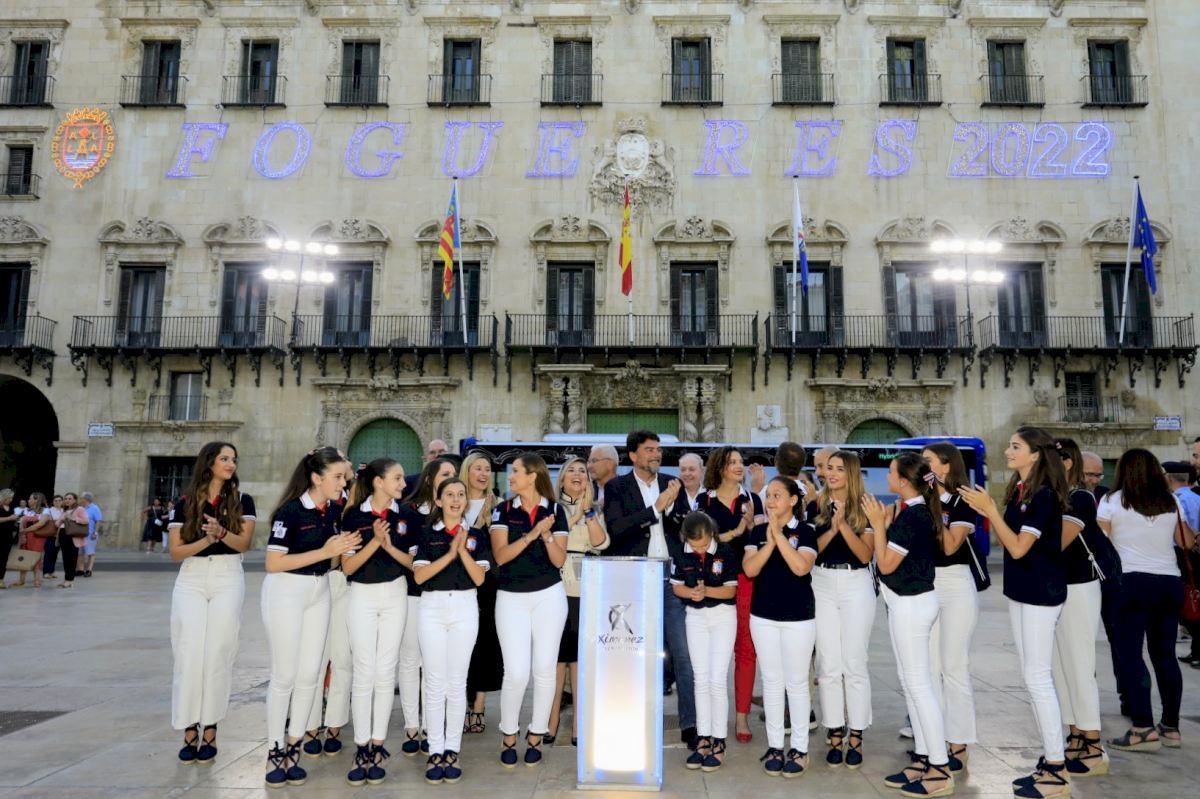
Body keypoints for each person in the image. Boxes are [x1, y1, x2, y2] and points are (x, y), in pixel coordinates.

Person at [959, 426, 1070, 799]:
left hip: (1041, 591)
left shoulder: (1044, 496)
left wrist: (990, 510)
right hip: (1023, 590)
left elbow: (1019, 547)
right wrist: (989, 508)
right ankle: (1050, 760)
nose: (1008, 451)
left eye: (1015, 446)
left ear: (1035, 454)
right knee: (1031, 675)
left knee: (1038, 677)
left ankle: (1057, 766)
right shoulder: (1022, 491)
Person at [261, 447, 361, 788]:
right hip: (286, 592)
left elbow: (331, 555)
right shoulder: (290, 511)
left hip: (320, 591)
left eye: (344, 476)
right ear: (317, 478)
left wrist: (343, 549)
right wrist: (326, 550)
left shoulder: (333, 510)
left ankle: (294, 746)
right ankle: (275, 749)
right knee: (284, 675)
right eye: (337, 477)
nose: (343, 482)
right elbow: (273, 563)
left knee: (310, 674)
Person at [864, 453, 954, 799]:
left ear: (903, 480)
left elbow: (886, 564)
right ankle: (925, 757)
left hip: (912, 606)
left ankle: (940, 767)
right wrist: (886, 524)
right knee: (911, 682)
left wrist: (878, 525)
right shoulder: (915, 511)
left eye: (890, 471)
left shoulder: (913, 515)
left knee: (919, 685)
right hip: (908, 603)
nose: (886, 475)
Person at [603, 430, 695, 747]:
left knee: (682, 655)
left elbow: (686, 528)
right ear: (633, 455)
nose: (656, 454)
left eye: (658, 449)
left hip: (671, 577)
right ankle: (636, 721)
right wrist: (656, 508)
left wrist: (672, 509)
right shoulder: (616, 487)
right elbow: (616, 530)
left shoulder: (672, 483)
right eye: (649, 449)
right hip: (635, 579)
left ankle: (690, 725)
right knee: (635, 655)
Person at [1099, 449, 1195, 752]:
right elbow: (1186, 541)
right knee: (1164, 655)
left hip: (1129, 582)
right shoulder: (1170, 501)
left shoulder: (1112, 500)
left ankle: (1142, 728)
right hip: (1168, 582)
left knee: (1130, 655)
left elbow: (1101, 543)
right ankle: (1171, 727)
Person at [167, 441, 257, 765]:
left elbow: (243, 543)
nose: (231, 464)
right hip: (191, 578)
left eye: (233, 459)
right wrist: (206, 539)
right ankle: (189, 726)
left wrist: (221, 533)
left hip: (227, 576)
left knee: (219, 650)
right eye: (224, 458)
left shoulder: (242, 500)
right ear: (209, 463)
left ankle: (211, 727)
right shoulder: (185, 502)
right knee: (189, 651)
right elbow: (176, 552)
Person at [490, 453, 569, 768]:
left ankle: (536, 733)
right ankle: (509, 733)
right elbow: (501, 556)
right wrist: (532, 534)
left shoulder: (556, 511)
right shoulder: (502, 510)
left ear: (533, 476)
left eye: (516, 472)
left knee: (545, 669)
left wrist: (546, 535)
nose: (510, 477)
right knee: (516, 672)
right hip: (511, 597)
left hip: (549, 595)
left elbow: (559, 560)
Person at [338, 458, 413, 786]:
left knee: (386, 671)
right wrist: (374, 542)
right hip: (362, 595)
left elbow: (412, 562)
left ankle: (378, 745)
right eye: (397, 478)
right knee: (364, 671)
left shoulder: (405, 516)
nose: (403, 484)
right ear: (379, 482)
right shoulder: (354, 516)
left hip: (395, 593)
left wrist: (389, 546)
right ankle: (361, 747)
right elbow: (348, 567)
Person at [414, 477, 491, 785]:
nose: (456, 500)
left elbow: (479, 578)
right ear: (439, 501)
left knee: (457, 683)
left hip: (464, 608)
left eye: (461, 495)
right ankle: (435, 749)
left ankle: (452, 750)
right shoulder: (426, 533)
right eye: (450, 495)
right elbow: (420, 577)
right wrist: (448, 553)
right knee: (435, 683)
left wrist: (462, 551)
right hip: (432, 609)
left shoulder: (477, 535)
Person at [743, 477, 818, 778]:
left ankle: (799, 748)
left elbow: (801, 567)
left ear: (793, 501)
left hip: (798, 618)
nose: (770, 500)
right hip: (763, 616)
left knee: (797, 683)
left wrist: (779, 536)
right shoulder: (757, 532)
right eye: (768, 495)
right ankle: (775, 746)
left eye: (777, 495)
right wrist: (770, 539)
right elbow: (750, 569)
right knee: (772, 682)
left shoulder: (806, 531)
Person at [695, 446, 766, 744]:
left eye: (740, 461)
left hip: (746, 578)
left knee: (746, 649)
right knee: (714, 651)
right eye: (732, 461)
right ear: (719, 467)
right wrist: (737, 531)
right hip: (714, 582)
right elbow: (701, 541)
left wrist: (751, 527)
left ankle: (741, 716)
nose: (739, 466)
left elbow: (762, 539)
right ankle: (711, 715)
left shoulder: (753, 499)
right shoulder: (704, 500)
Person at [811, 450, 875, 769]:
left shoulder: (866, 506)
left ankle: (857, 735)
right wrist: (832, 528)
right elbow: (812, 551)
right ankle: (835, 731)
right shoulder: (816, 504)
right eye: (829, 468)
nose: (832, 473)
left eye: (839, 468)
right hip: (821, 582)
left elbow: (865, 555)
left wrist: (844, 526)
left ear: (851, 473)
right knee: (828, 664)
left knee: (854, 663)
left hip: (856, 584)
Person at [1050, 438, 1109, 777]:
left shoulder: (1081, 498)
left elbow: (1057, 543)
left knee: (1080, 665)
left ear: (1067, 462)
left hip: (1079, 587)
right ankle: (1075, 734)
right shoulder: (1055, 496)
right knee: (1061, 667)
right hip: (1058, 589)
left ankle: (1094, 744)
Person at [922, 443, 981, 773]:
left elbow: (949, 545)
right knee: (929, 667)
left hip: (956, 585)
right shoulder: (921, 500)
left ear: (945, 467)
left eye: (928, 461)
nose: (922, 466)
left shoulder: (962, 501)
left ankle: (959, 742)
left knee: (954, 666)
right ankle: (934, 741)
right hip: (926, 584)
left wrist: (933, 503)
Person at [397, 457, 458, 756]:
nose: (451, 478)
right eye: (445, 473)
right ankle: (412, 726)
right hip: (413, 594)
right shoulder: (409, 511)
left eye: (454, 474)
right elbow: (409, 558)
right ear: (431, 478)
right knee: (410, 660)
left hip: (443, 597)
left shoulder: (454, 511)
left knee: (436, 666)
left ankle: (433, 726)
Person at [547, 456, 609, 744]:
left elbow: (601, 542)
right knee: (557, 659)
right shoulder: (552, 508)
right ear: (561, 479)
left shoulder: (595, 510)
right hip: (556, 585)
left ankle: (577, 724)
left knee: (579, 659)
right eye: (570, 470)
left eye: (582, 471)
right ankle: (551, 720)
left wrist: (589, 513)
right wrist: (573, 516)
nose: (577, 474)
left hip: (585, 589)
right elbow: (554, 538)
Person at [671, 511, 739, 772]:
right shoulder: (681, 551)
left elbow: (730, 590)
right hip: (695, 617)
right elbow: (677, 586)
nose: (698, 550)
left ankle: (719, 741)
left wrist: (706, 591)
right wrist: (692, 593)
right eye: (694, 545)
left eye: (703, 545)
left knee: (717, 679)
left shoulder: (726, 551)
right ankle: (703, 738)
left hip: (722, 617)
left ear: (711, 534)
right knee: (699, 679)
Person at [302, 458, 355, 760]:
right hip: (317, 583)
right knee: (315, 658)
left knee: (342, 657)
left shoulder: (347, 508)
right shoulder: (309, 507)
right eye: (339, 474)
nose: (344, 480)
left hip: (343, 584)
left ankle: (334, 725)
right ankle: (310, 726)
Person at [461, 453, 503, 736]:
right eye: (478, 468)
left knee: (484, 643)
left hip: (488, 583)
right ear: (467, 471)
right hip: (458, 581)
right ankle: (462, 703)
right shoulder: (455, 501)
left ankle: (478, 705)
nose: (483, 473)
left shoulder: (497, 507)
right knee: (463, 645)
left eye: (487, 469)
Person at [1166, 462, 1200, 668]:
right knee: (1193, 600)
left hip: (1182, 553)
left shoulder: (1176, 500)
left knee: (1187, 603)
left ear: (1169, 478)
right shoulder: (1196, 497)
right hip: (1195, 553)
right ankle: (1196, 650)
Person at [15, 493, 53, 588]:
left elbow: (41, 523)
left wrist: (25, 530)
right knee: (23, 557)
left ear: (37, 500)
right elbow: (21, 524)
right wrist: (22, 535)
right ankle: (21, 580)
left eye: (30, 498)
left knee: (36, 558)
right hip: (25, 536)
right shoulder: (27, 510)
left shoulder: (45, 510)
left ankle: (37, 580)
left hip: (37, 537)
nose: (28, 500)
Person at [57, 493, 88, 588]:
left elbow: (86, 520)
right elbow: (57, 524)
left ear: (75, 500)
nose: (67, 500)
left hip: (73, 536)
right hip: (63, 534)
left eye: (70, 498)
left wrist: (73, 518)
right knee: (65, 558)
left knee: (72, 558)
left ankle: (70, 580)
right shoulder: (64, 510)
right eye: (66, 498)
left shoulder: (79, 509)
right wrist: (61, 519)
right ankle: (67, 579)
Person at [79, 491, 102, 577]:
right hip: (79, 534)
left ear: (86, 499)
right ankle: (80, 570)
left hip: (90, 534)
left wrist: (95, 532)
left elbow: (98, 521)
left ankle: (89, 570)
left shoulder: (95, 508)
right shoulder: (80, 508)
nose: (80, 499)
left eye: (81, 498)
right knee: (80, 553)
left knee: (90, 552)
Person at [43, 494, 63, 578]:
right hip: (51, 534)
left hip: (60, 534)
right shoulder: (49, 510)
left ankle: (52, 571)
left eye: (59, 500)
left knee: (55, 553)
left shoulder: (64, 510)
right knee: (49, 553)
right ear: (53, 502)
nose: (57, 502)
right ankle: (46, 572)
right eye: (56, 501)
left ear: (62, 501)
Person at [0, 488, 16, 589]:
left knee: (4, 558)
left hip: (8, 536)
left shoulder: (11, 507)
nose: (11, 500)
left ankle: (1, 579)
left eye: (11, 498)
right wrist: (9, 518)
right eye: (9, 498)